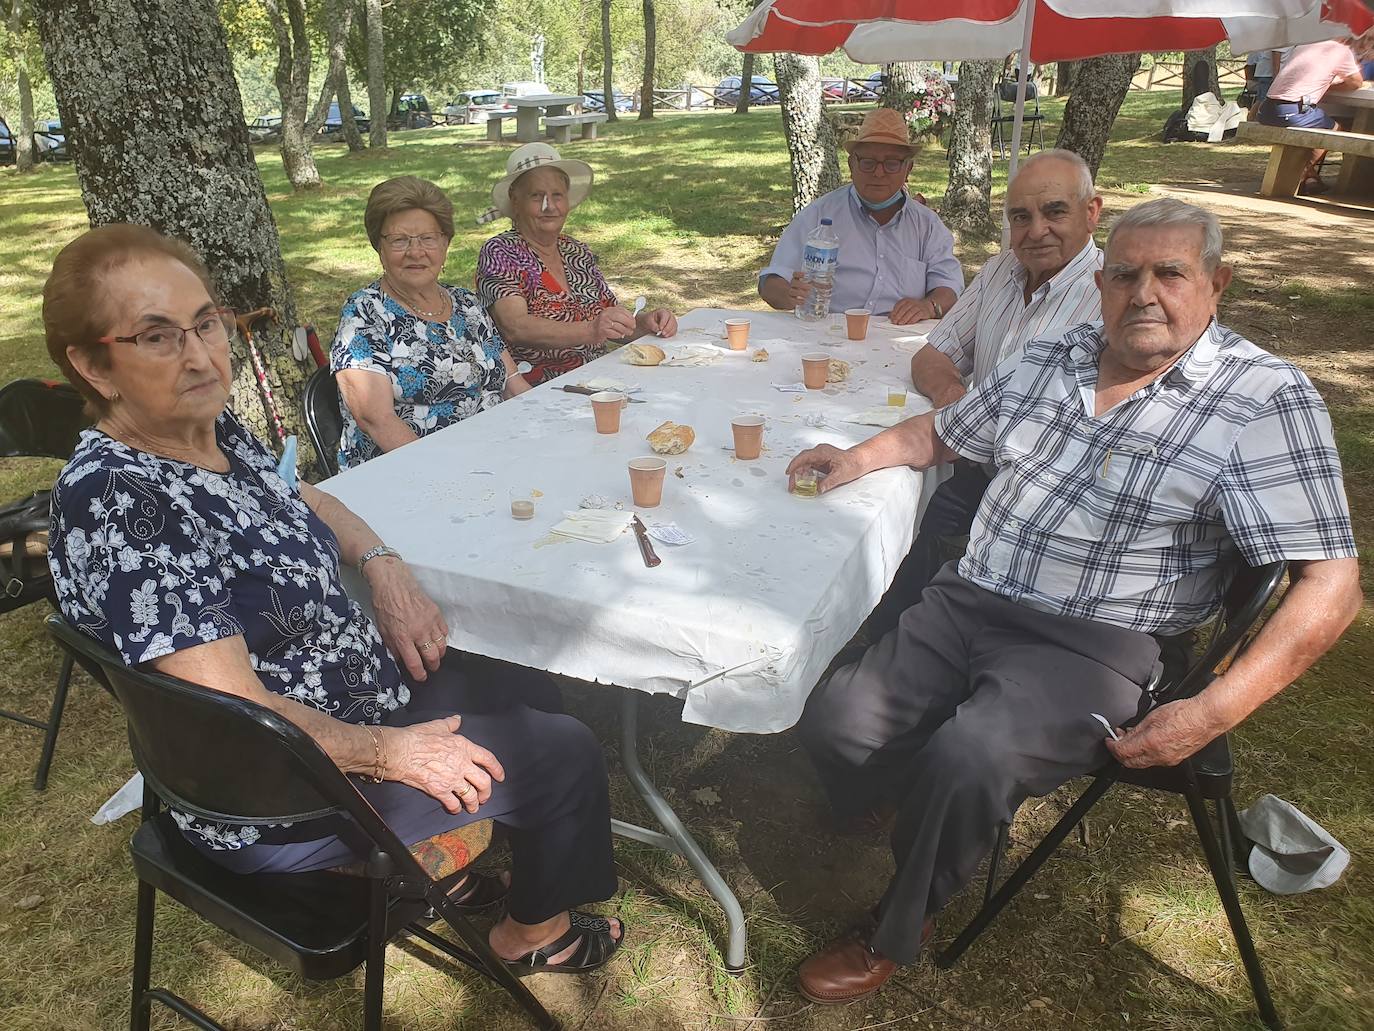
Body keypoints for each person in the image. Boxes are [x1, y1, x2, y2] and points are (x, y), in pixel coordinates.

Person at [783, 198, 1359, 1005]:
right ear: (1101, 281)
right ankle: (922, 809)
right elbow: (947, 431)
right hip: (972, 596)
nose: (1143, 293)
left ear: (1217, 283)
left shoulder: (1263, 399)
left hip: (1097, 641)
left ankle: (894, 925)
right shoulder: (1051, 358)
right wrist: (856, 457)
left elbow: (1330, 586)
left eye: (1170, 273)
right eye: (1124, 273)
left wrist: (1211, 711)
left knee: (969, 756)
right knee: (834, 718)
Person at [45, 224, 624, 976]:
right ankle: (533, 934)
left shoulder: (204, 427)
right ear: (93, 364)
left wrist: (383, 566)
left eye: (206, 323)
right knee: (561, 751)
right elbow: (237, 709)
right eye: (156, 337)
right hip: (278, 789)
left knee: (529, 680)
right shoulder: (121, 498)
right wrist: (394, 753)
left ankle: (452, 871)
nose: (200, 355)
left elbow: (305, 497)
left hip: (346, 702)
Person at [864, 149, 1104, 644]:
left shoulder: (1111, 292)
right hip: (979, 463)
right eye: (1021, 216)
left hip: (1054, 492)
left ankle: (947, 648)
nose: (1036, 230)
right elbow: (930, 356)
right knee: (893, 513)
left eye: (1054, 211)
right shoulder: (1000, 272)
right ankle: (893, 641)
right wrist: (955, 395)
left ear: (1092, 212)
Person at [332, 176, 532, 471]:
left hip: (496, 455)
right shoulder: (363, 314)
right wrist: (449, 472)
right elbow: (377, 420)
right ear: (379, 248)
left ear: (445, 243)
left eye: (428, 238)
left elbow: (513, 384)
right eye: (400, 240)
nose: (416, 252)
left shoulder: (465, 303)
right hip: (411, 473)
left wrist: (548, 428)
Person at [476, 142, 677, 385]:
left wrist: (644, 323)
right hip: (535, 386)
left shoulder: (576, 251)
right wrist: (591, 330)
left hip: (598, 378)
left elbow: (607, 319)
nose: (549, 206)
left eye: (557, 196)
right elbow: (516, 328)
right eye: (536, 196)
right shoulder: (501, 251)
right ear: (515, 201)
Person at [758, 108, 963, 324]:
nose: (878, 173)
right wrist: (788, 293)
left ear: (908, 169)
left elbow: (950, 286)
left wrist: (928, 306)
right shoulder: (820, 215)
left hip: (899, 339)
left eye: (892, 163)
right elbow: (769, 284)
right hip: (830, 335)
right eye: (868, 162)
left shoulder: (927, 225)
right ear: (851, 165)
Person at [1255, 39, 1364, 194]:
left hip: (1266, 109)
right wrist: (1331, 85)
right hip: (1292, 109)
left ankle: (1310, 177)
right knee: (1335, 130)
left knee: (1315, 129)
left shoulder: (1305, 45)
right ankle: (1303, 173)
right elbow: (1356, 83)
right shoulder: (1340, 50)